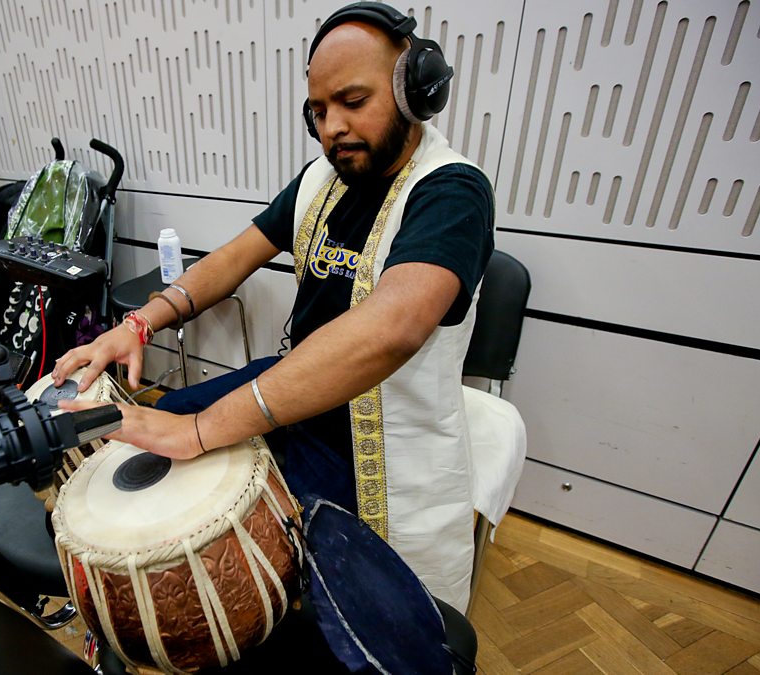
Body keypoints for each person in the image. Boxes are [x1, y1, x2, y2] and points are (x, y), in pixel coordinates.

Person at [52, 2, 493, 610]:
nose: (332, 127)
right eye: (319, 111)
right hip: (294, 394)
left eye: (353, 101)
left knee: (336, 598)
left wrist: (202, 431)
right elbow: (234, 258)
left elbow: (391, 329)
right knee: (141, 442)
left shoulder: (452, 191)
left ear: (415, 91)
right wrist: (140, 322)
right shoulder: (320, 180)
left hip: (383, 441)